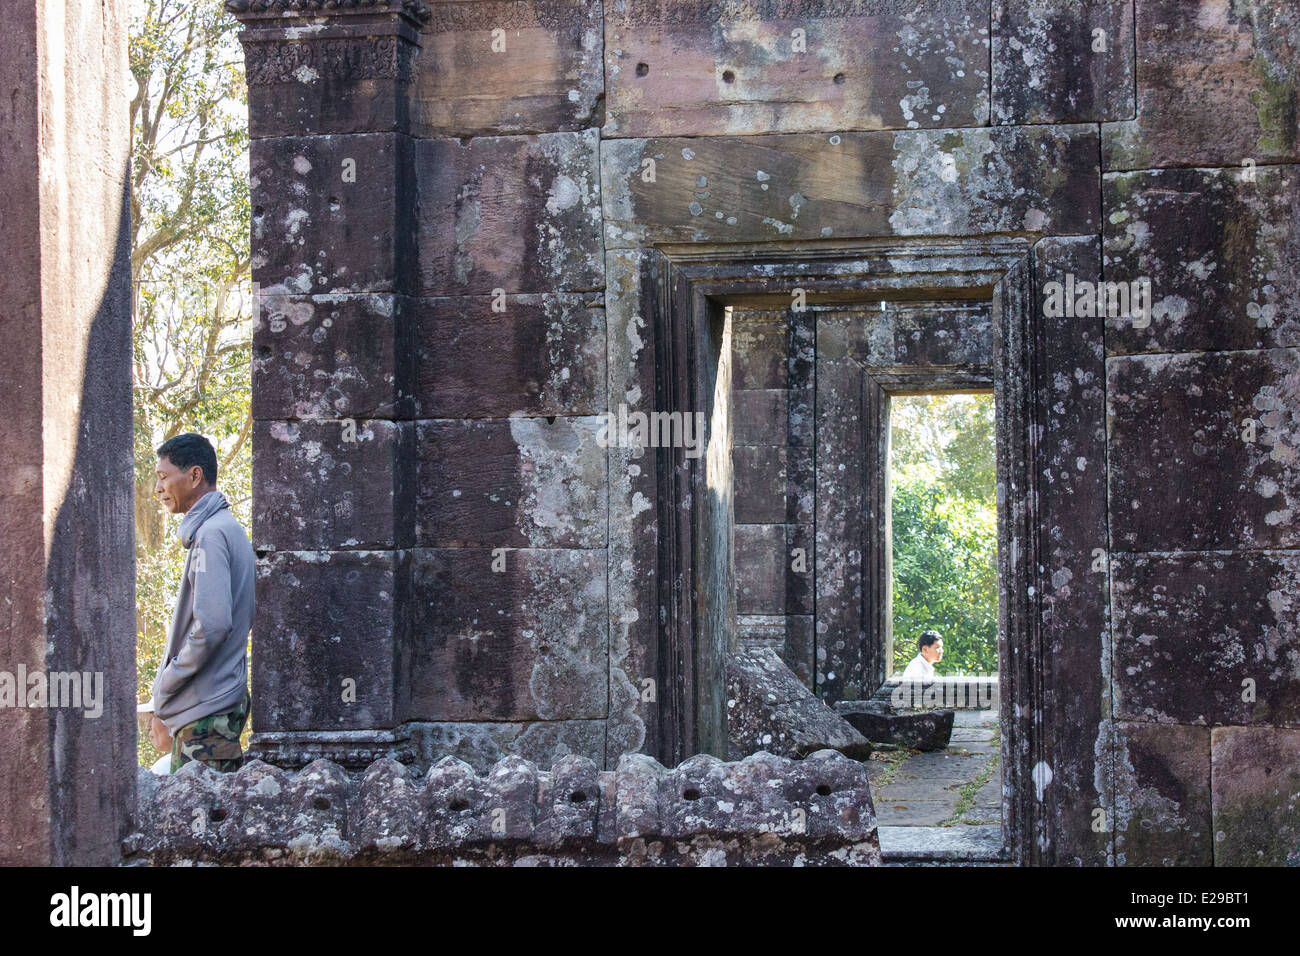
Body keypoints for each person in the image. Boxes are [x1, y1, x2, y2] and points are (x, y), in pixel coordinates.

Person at [147, 433, 255, 773]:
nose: (158, 488)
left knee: (197, 805)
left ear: (195, 475)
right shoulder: (222, 529)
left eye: (163, 476)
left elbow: (212, 625)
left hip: (208, 714)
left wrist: (168, 681)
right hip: (210, 707)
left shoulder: (211, 534)